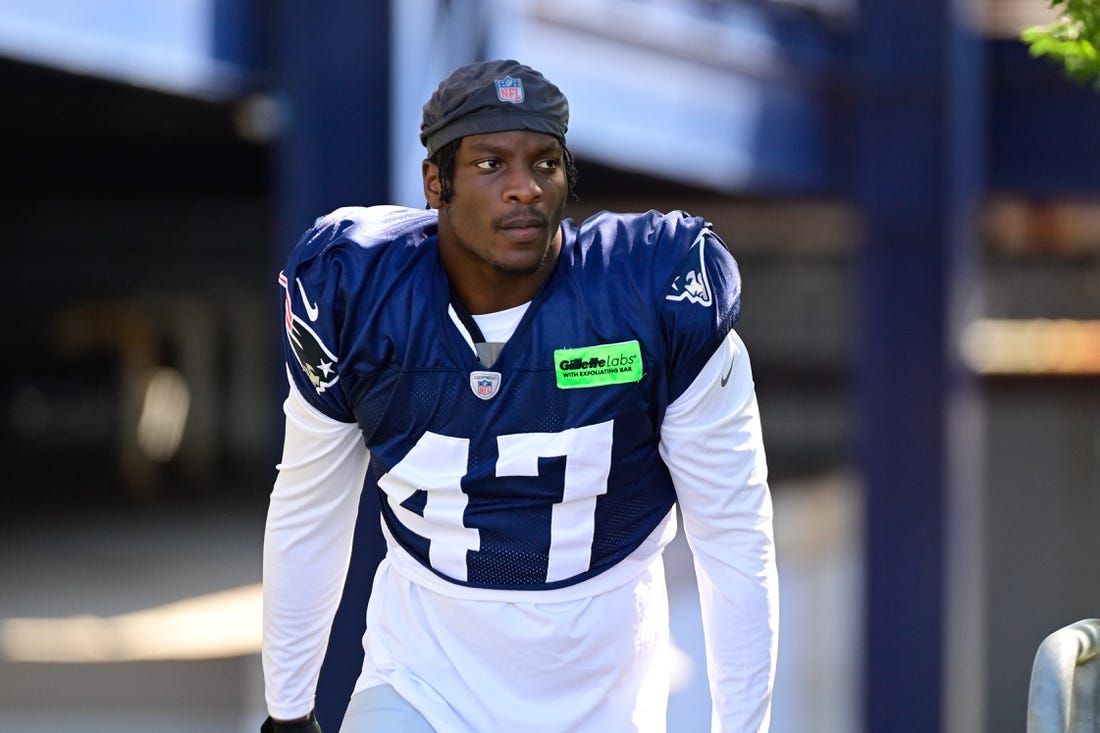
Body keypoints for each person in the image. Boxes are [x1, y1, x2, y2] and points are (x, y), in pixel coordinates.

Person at [261, 59, 778, 733]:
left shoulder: (656, 293)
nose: (523, 190)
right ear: (434, 182)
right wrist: (289, 712)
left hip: (604, 698)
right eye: (489, 164)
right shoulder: (355, 292)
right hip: (424, 681)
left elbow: (733, 532)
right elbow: (310, 507)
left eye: (544, 164)